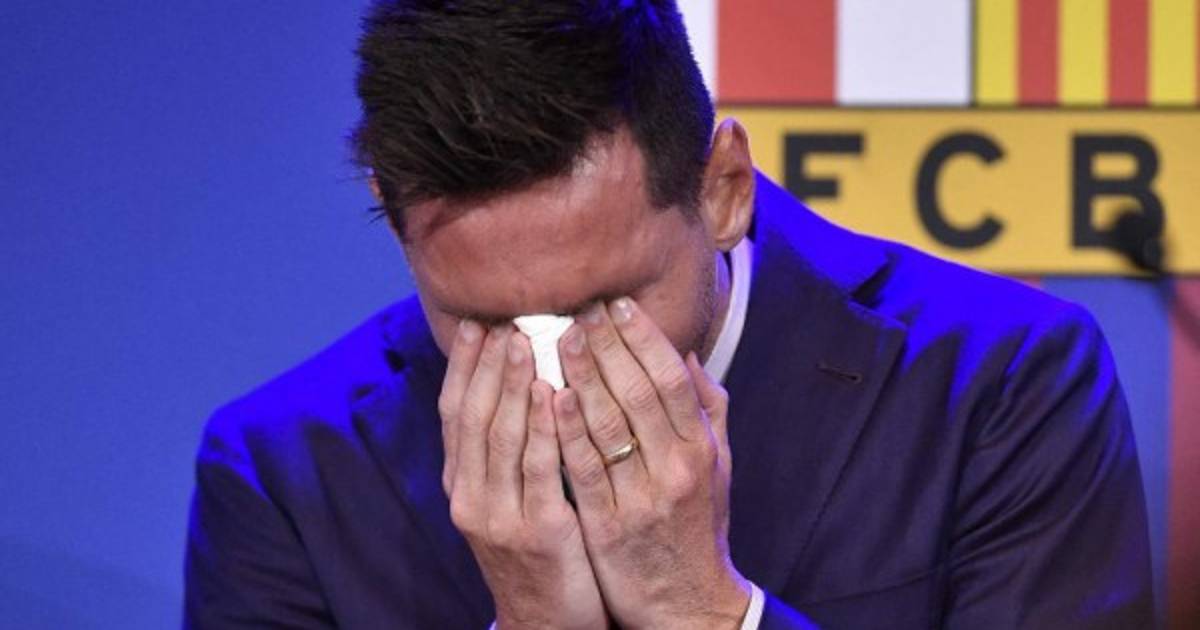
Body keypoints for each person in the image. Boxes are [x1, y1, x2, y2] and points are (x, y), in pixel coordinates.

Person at [183, 1, 1154, 628]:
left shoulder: (997, 381)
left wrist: (700, 609)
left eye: (603, 304)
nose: (552, 371)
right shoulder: (285, 474)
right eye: (484, 321)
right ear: (399, 229)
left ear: (723, 187)